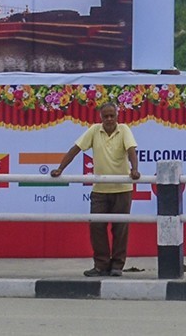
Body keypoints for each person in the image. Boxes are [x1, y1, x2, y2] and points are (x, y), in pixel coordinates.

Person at [51, 102, 140, 277]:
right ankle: (101, 265)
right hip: (99, 190)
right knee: (97, 227)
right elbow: (75, 149)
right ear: (100, 117)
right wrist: (60, 168)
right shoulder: (94, 130)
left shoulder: (124, 130)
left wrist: (134, 169)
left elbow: (131, 150)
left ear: (117, 116)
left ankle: (117, 266)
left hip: (122, 188)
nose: (108, 119)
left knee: (120, 229)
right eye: (105, 116)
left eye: (111, 116)